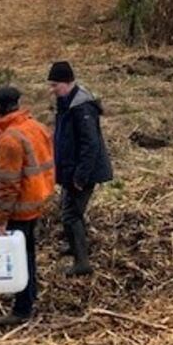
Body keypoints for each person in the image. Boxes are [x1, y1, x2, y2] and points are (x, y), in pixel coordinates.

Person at [0, 84, 55, 326]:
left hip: (19, 208)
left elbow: (8, 185)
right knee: (29, 253)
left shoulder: (9, 140)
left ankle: (22, 309)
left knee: (19, 257)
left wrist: (1, 219)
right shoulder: (35, 127)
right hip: (35, 201)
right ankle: (30, 294)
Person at [47, 61, 113, 276]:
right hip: (70, 170)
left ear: (67, 83)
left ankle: (81, 263)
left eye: (55, 85)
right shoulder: (67, 103)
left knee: (71, 215)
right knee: (69, 210)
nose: (52, 89)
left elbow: (90, 144)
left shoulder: (81, 108)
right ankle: (76, 246)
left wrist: (80, 176)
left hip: (82, 172)